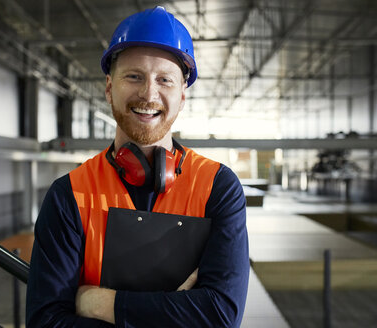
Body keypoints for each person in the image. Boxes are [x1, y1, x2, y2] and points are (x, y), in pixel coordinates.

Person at [26, 6, 249, 328]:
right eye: (134, 76)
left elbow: (221, 316)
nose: (148, 93)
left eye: (165, 80)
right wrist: (180, 312)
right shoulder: (69, 194)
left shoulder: (217, 185)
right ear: (108, 87)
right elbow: (45, 322)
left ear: (182, 95)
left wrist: (99, 303)